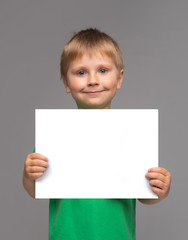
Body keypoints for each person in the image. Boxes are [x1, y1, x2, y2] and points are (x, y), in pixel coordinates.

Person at [23, 28, 171, 240]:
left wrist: (160, 189)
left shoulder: (131, 137)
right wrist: (28, 175)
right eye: (81, 72)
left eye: (103, 70)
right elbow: (36, 189)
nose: (92, 80)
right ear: (66, 82)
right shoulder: (55, 136)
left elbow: (145, 196)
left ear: (119, 79)